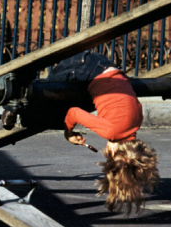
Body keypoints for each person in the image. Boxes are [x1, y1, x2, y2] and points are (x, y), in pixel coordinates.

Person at [35, 52, 159, 215]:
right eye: (108, 156)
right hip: (83, 67)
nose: (105, 153)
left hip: (104, 65)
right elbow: (73, 113)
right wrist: (68, 133)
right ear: (115, 154)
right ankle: (12, 109)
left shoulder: (136, 122)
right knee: (45, 91)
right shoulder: (112, 131)